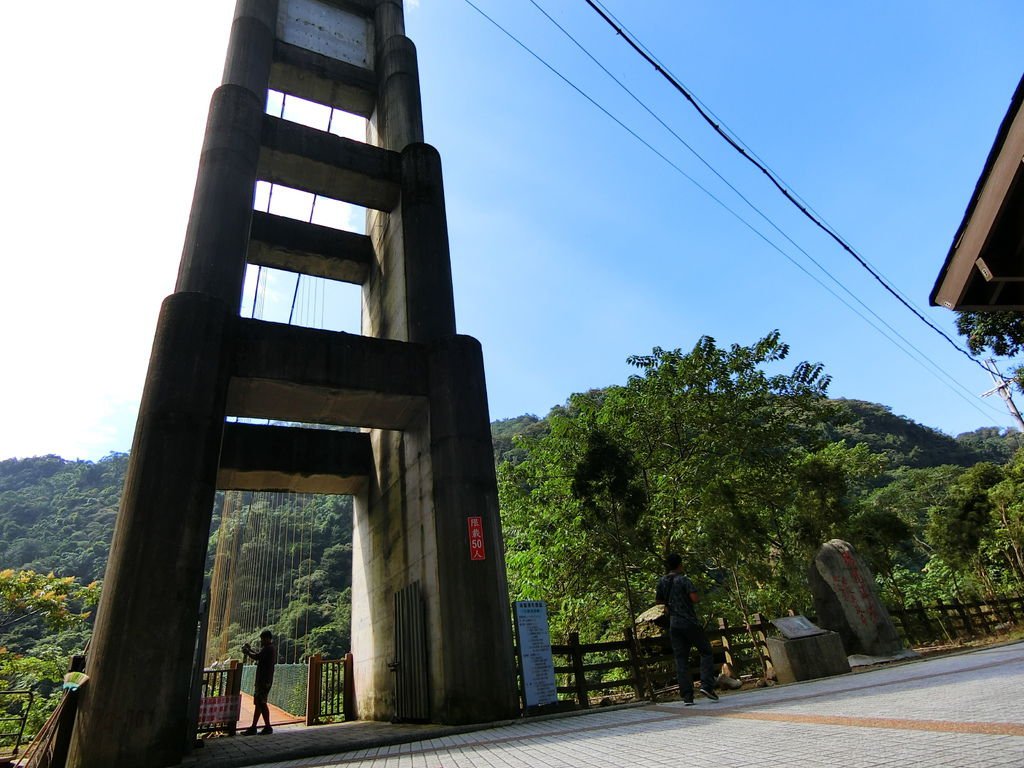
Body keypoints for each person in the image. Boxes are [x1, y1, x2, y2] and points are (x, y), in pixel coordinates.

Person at [655, 553, 718, 705]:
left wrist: (670, 605)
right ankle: (707, 686)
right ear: (680, 564)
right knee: (706, 651)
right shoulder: (683, 580)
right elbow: (694, 598)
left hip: (674, 624)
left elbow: (658, 600)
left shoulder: (662, 582)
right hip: (689, 621)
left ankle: (687, 695)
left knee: (681, 659)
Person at [241, 630, 276, 735]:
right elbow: (259, 656)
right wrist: (250, 650)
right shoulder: (268, 649)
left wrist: (247, 652)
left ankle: (268, 727)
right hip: (264, 680)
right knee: (259, 704)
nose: (261, 641)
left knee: (262, 703)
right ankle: (254, 727)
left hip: (263, 681)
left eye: (263, 639)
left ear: (267, 638)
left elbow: (257, 657)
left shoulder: (268, 648)